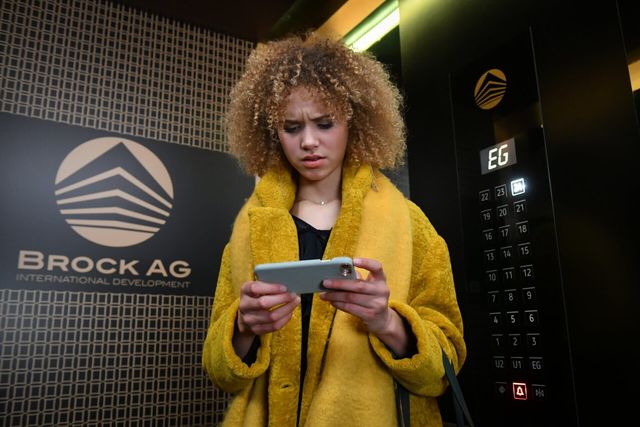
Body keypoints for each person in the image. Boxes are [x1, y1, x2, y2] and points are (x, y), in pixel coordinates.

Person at [202, 32, 466, 427]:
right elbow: (219, 371)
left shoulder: (410, 225)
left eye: (324, 123)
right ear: (273, 133)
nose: (309, 142)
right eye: (292, 127)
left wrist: (387, 322)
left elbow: (445, 368)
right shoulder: (250, 228)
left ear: (353, 121)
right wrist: (242, 328)